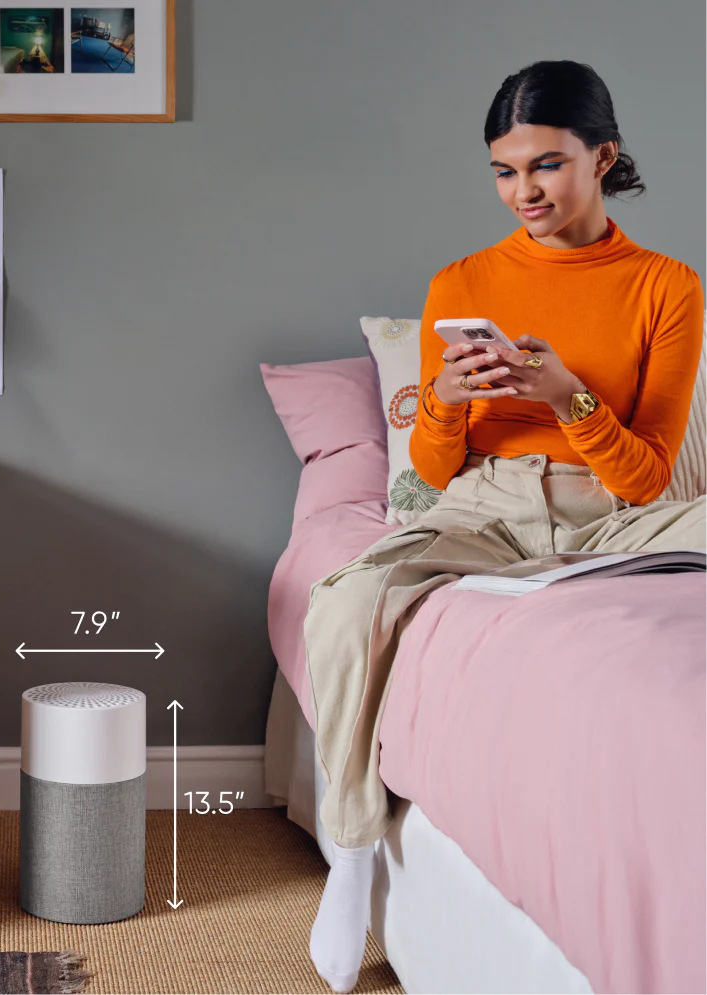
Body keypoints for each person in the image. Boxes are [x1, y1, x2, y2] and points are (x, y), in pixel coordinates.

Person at [305, 59, 706, 994]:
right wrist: (441, 399)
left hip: (613, 516)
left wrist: (568, 398)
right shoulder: (463, 279)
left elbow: (645, 476)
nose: (522, 191)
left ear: (602, 157)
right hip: (488, 507)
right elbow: (437, 472)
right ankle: (353, 847)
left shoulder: (666, 288)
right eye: (503, 171)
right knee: (347, 598)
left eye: (546, 165)